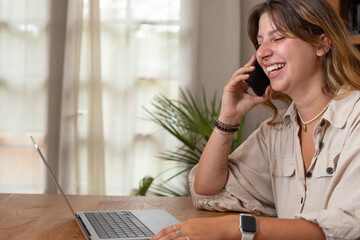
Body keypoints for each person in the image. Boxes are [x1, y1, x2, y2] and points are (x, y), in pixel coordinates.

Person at [152, 0, 360, 239]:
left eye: (278, 38)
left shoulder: (356, 118)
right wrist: (228, 119)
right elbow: (206, 191)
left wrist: (236, 228)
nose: (261, 53)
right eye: (260, 42)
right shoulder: (277, 131)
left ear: (322, 45)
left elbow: (348, 224)